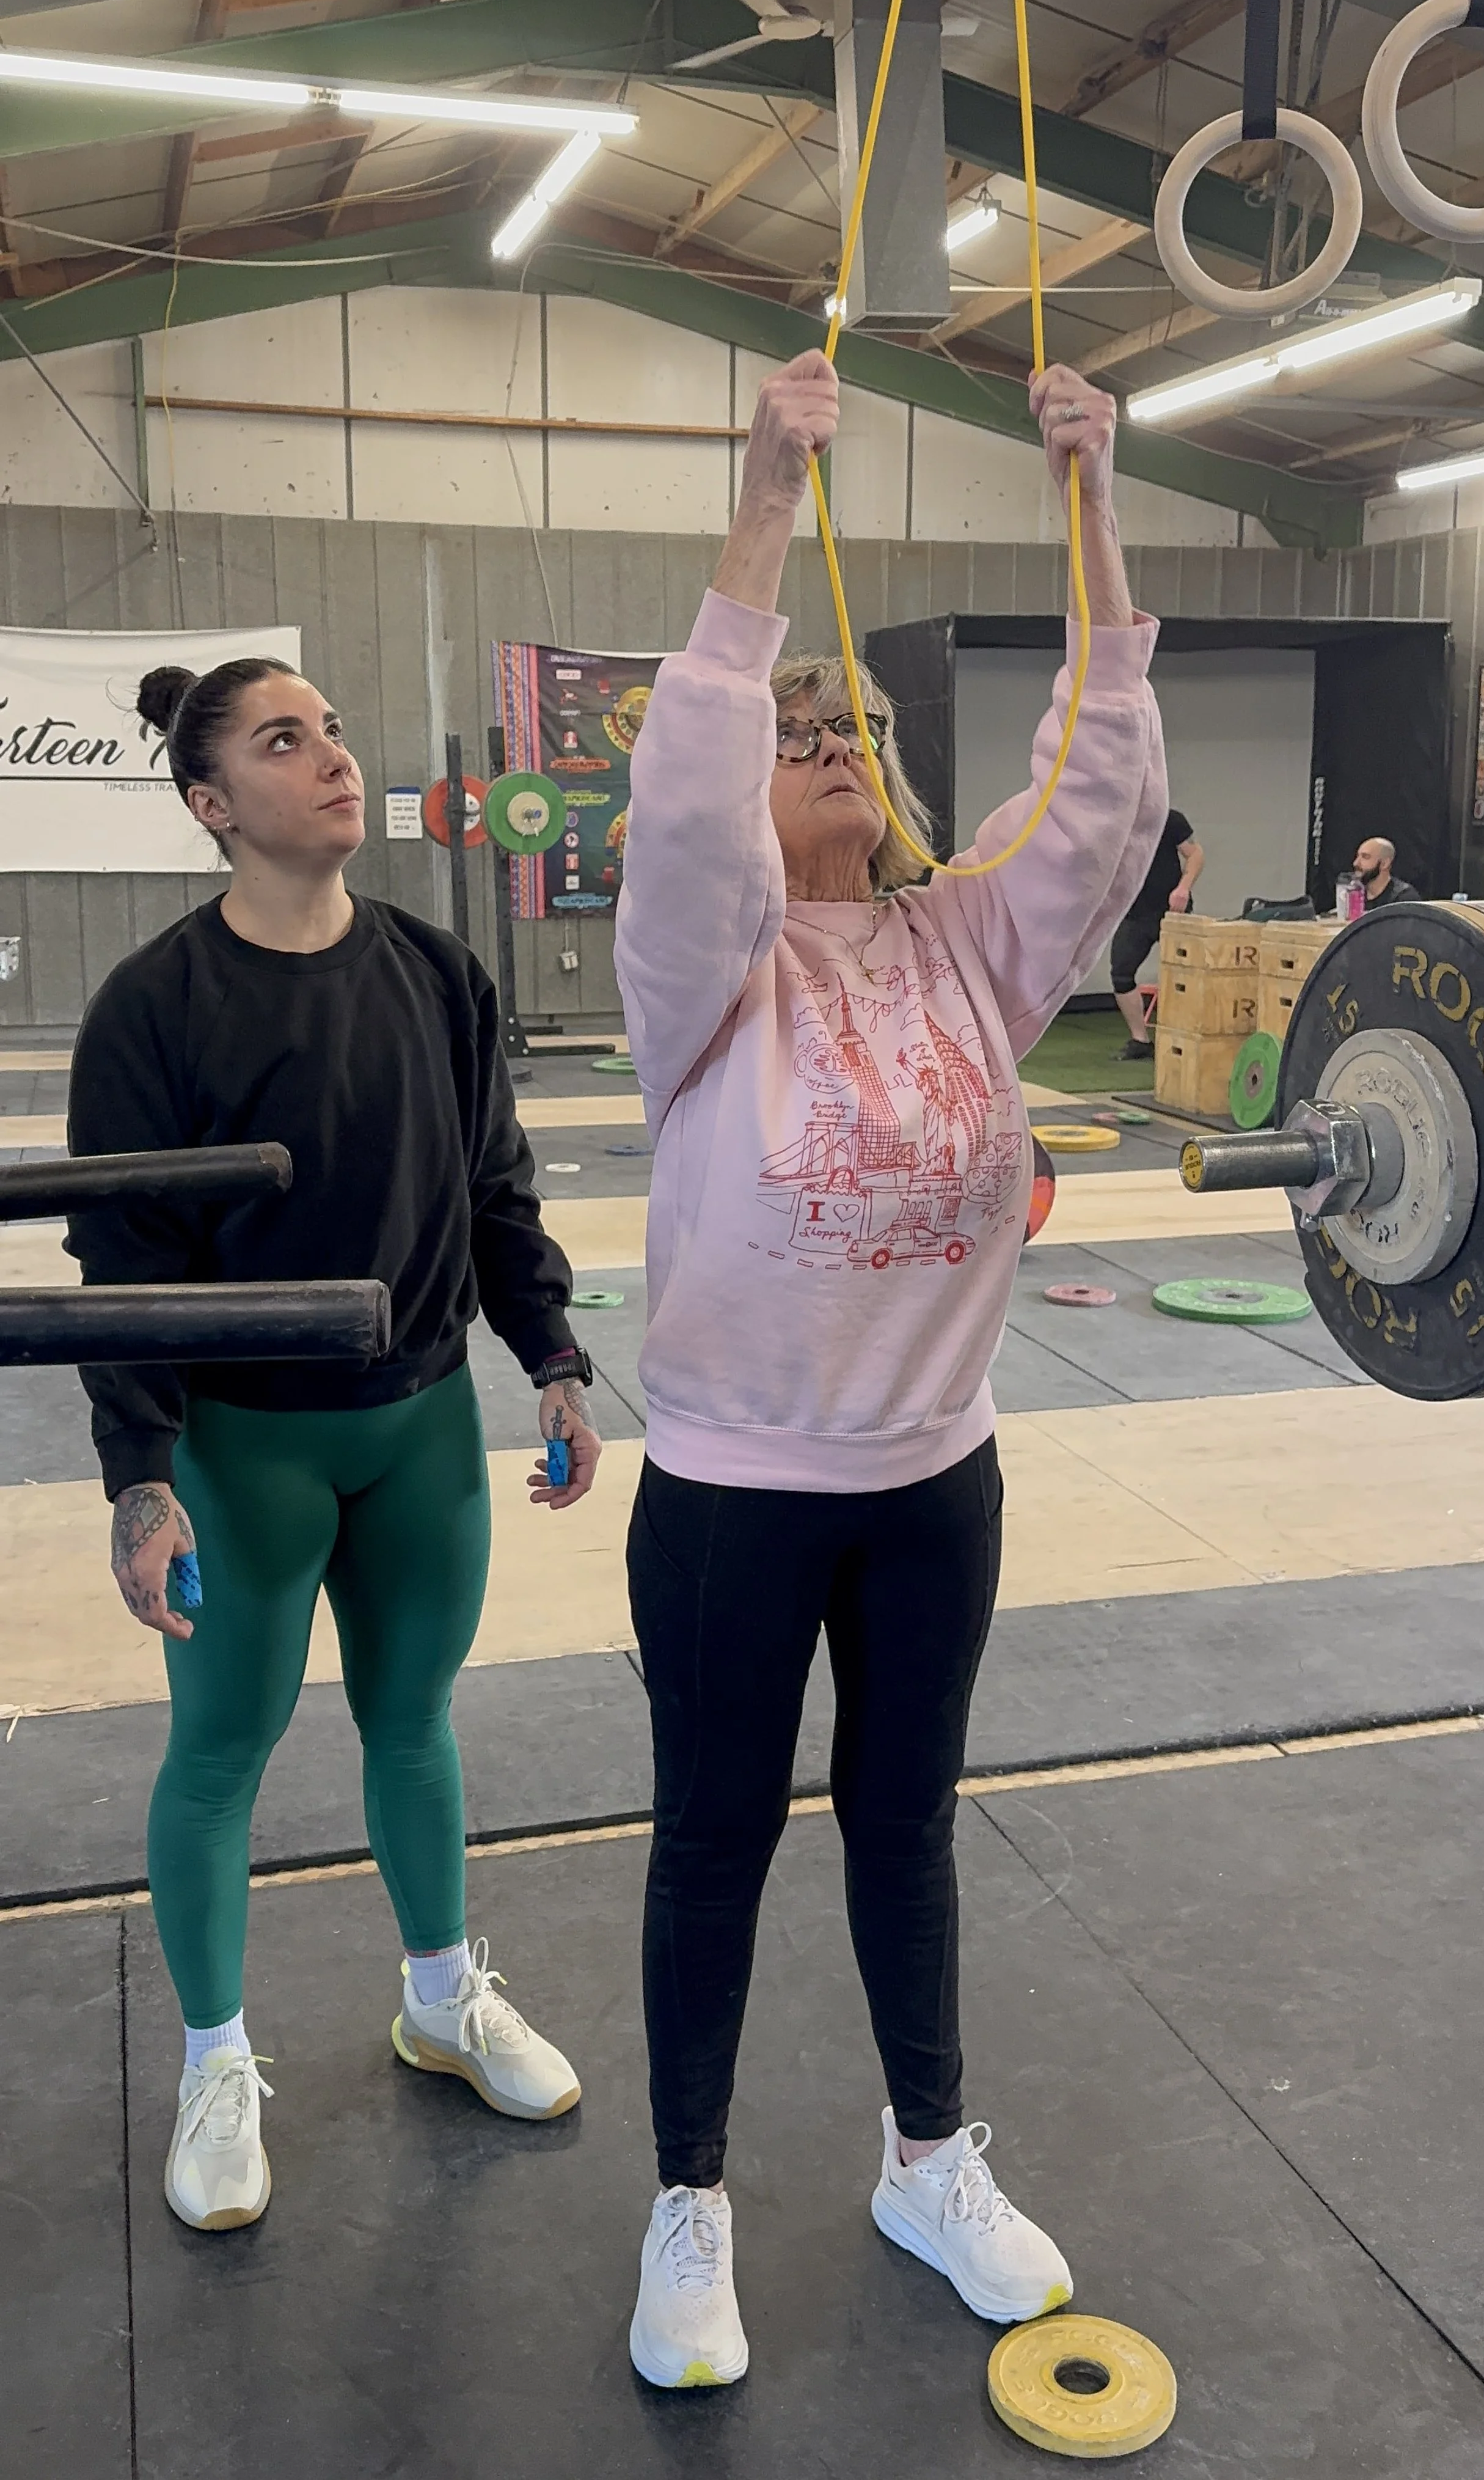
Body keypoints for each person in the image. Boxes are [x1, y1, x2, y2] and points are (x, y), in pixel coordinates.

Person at [612, 350, 1168, 2390]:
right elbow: (681, 809)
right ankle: (689, 2201)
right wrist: (763, 497)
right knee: (713, 1836)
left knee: (910, 1819)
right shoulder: (702, 975)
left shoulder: (970, 947)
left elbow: (1103, 782)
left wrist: (1093, 494)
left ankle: (925, 2155)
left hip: (937, 1481)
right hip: (739, 1497)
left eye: (851, 724)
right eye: (799, 729)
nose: (828, 742)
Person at [67, 654, 603, 2234]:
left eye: (334, 727)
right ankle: (215, 2063)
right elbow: (125, 1269)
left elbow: (498, 1191)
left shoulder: (438, 976)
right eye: (283, 741)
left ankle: (439, 1998)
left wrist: (556, 1362)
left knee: (413, 1719)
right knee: (220, 1753)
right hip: (244, 1445)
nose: (331, 757)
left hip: (420, 1426)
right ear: (211, 802)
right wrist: (140, 1479)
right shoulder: (149, 1010)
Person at [1111, 806, 1202, 1057]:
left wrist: (1183, 889)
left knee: (1185, 975)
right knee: (1121, 973)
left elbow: (1195, 855)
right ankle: (1140, 1041)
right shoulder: (1117, 823)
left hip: (1172, 910)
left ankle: (1190, 1038)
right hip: (1135, 913)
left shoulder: (1169, 819)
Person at [1353, 835, 1418, 908]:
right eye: (1357, 856)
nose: (1356, 863)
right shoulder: (1353, 895)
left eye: (1365, 857)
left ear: (1384, 864)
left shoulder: (1404, 897)